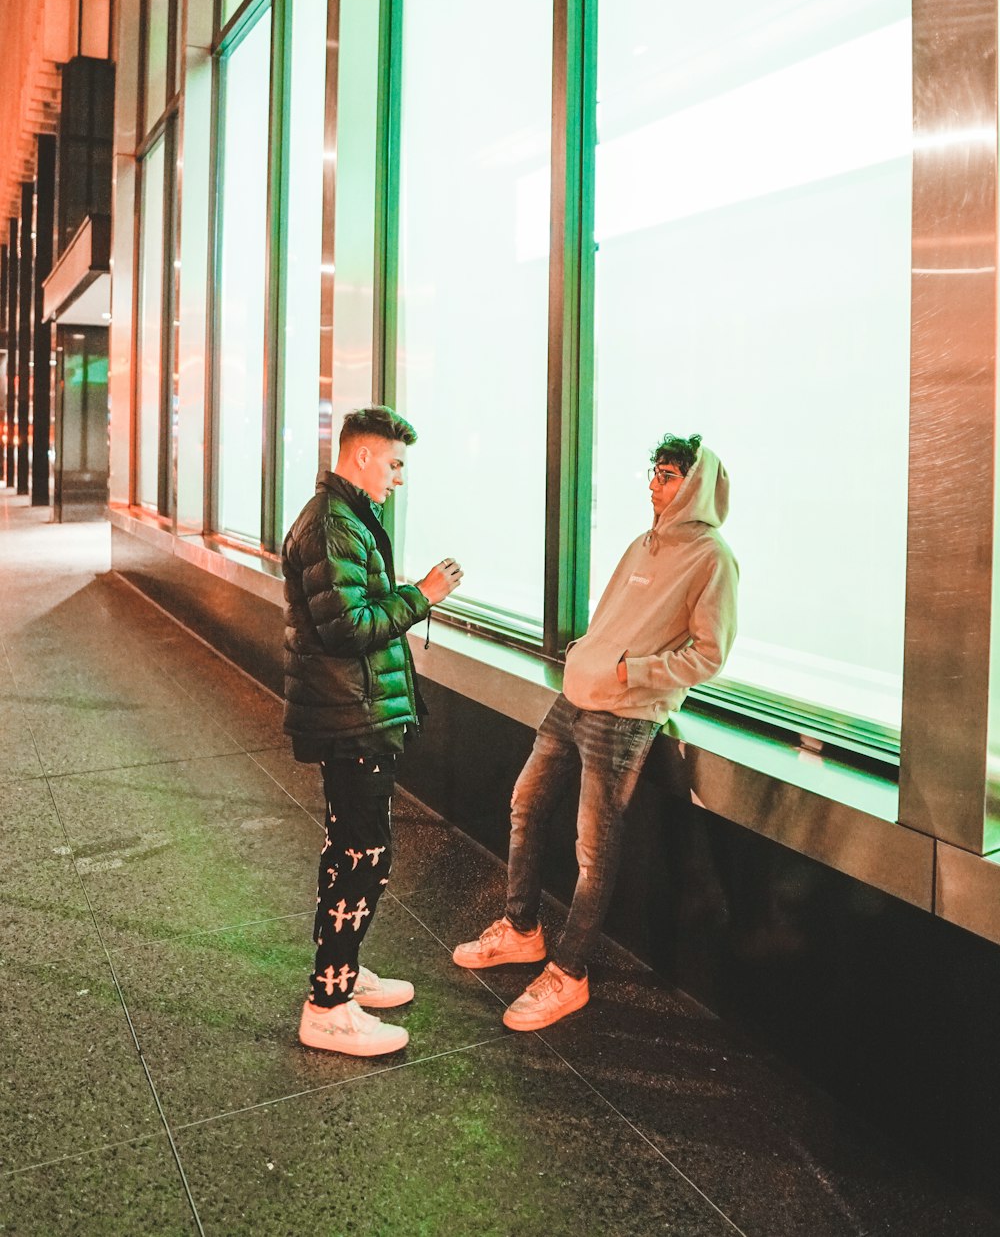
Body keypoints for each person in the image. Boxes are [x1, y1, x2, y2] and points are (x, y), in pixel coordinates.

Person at [453, 432, 737, 1030]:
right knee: (525, 806)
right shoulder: (643, 543)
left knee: (593, 847)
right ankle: (522, 930)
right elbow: (611, 618)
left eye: (666, 476)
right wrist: (590, 655)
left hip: (625, 717)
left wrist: (632, 673)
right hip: (574, 700)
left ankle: (570, 972)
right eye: (654, 474)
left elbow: (709, 655)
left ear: (693, 484)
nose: (654, 486)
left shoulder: (712, 557)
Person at [282, 405, 462, 1056]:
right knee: (363, 856)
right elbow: (347, 629)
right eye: (394, 463)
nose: (399, 478)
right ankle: (327, 1007)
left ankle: (342, 973)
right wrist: (423, 595)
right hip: (350, 717)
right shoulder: (334, 527)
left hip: (355, 712)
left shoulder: (346, 517)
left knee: (352, 850)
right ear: (362, 457)